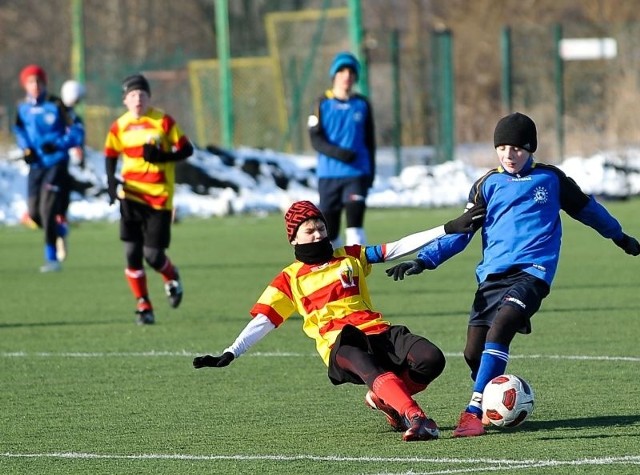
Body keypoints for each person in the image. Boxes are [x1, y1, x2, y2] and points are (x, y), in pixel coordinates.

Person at [385, 112, 640, 438]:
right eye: (502, 147)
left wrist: (619, 237)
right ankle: (495, 402)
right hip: (491, 278)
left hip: (533, 272)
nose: (509, 155)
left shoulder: (551, 180)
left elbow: (590, 211)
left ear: (531, 148)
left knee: (502, 326)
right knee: (472, 354)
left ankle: (473, 412)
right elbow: (462, 232)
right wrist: (424, 260)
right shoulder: (486, 185)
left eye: (517, 148)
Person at [192, 200, 485, 441]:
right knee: (365, 362)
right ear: (293, 238)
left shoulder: (350, 257)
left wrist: (447, 228)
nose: (318, 234)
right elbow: (264, 320)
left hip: (378, 330)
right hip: (340, 344)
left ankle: (387, 401)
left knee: (431, 358)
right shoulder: (288, 279)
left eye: (320, 227)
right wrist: (232, 351)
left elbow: (395, 248)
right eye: (309, 230)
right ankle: (417, 417)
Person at [104, 73, 194, 325]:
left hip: (159, 199)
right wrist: (111, 183)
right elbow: (110, 154)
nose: (137, 99)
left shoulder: (163, 121)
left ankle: (170, 274)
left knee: (153, 256)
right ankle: (144, 305)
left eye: (142, 94)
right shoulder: (119, 126)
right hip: (131, 197)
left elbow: (187, 149)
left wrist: (161, 158)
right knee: (132, 252)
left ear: (149, 97)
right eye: (132, 95)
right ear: (125, 100)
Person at [13, 64, 85, 272]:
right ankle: (60, 229)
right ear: (25, 85)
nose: (35, 85)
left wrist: (57, 144)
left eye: (38, 81)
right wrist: (26, 149)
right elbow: (19, 131)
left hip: (56, 164)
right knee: (34, 214)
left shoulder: (57, 105)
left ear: (44, 83)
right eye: (30, 82)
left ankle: (52, 259)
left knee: (47, 210)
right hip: (36, 166)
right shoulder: (22, 109)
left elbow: (77, 131)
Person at [307, 51, 375, 247]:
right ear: (334, 75)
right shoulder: (321, 103)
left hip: (357, 173)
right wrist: (339, 153)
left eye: (351, 72)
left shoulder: (362, 104)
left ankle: (358, 269)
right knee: (331, 231)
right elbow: (315, 138)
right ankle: (336, 272)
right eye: (342, 70)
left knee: (355, 226)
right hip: (329, 175)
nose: (347, 75)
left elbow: (370, 142)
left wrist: (371, 173)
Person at [55, 79, 87, 261]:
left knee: (61, 206)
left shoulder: (74, 117)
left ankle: (61, 235)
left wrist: (78, 150)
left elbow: (78, 137)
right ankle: (58, 236)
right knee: (48, 208)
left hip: (65, 167)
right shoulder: (55, 112)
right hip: (52, 165)